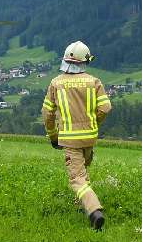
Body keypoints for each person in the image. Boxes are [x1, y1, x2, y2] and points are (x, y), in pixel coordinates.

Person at [42, 41, 112, 230]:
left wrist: (52, 134)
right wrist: (94, 122)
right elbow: (105, 107)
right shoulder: (94, 81)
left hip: (69, 138)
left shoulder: (56, 83)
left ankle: (94, 210)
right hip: (89, 136)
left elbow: (47, 113)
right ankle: (82, 203)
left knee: (76, 178)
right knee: (83, 171)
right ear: (85, 61)